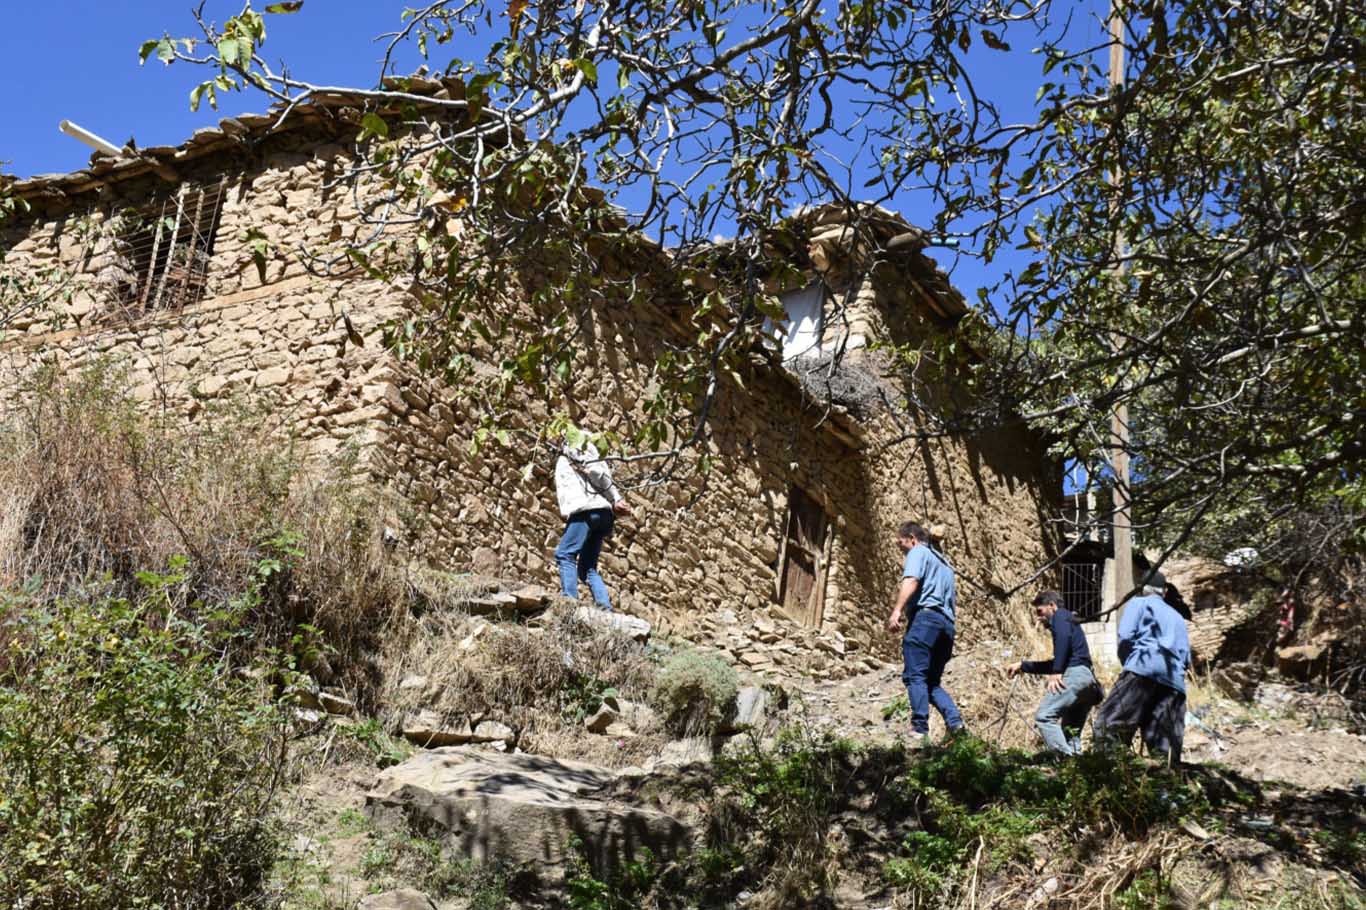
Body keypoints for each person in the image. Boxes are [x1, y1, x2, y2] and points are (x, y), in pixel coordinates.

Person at [1092, 569, 1191, 764]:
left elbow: (1126, 637)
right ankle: (1166, 789)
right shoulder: (1178, 618)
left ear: (1141, 589)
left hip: (1141, 671)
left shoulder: (1138, 604)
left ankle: (1109, 780)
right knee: (1165, 747)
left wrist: (1130, 664)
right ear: (1163, 592)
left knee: (1109, 727)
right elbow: (1186, 659)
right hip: (1174, 683)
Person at [885, 521, 965, 746]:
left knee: (915, 676)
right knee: (931, 683)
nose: (903, 551)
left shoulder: (918, 551)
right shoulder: (945, 564)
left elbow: (912, 580)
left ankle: (919, 728)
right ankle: (955, 723)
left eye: (903, 546)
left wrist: (897, 611)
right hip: (946, 627)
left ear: (912, 538)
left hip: (925, 620)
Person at [1007, 591, 1103, 755]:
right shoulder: (1068, 622)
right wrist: (1023, 666)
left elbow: (1061, 648)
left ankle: (1065, 761)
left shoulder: (1061, 615)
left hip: (1075, 676)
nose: (1038, 617)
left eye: (1040, 611)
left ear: (1052, 606)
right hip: (1087, 682)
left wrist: (1057, 672)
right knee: (1070, 735)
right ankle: (1077, 772)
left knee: (1044, 717)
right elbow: (1057, 661)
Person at [553, 434, 631, 611]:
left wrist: (616, 498)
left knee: (565, 554)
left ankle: (569, 604)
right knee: (587, 567)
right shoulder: (589, 454)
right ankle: (605, 607)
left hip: (586, 509)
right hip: (603, 515)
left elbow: (596, 472)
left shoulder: (573, 445)